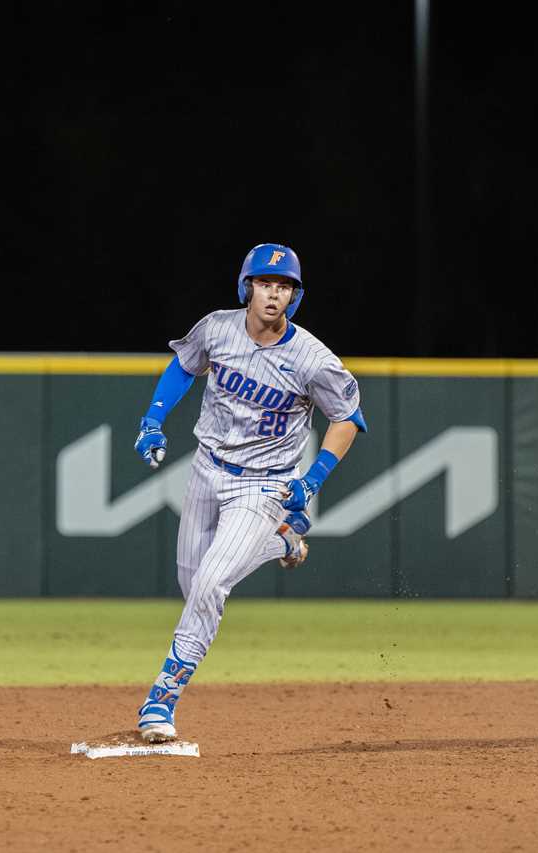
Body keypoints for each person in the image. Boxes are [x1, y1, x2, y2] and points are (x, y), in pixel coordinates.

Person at [131, 242, 367, 744]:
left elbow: (347, 418)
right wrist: (153, 418)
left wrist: (313, 479)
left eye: (284, 287)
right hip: (205, 469)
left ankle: (163, 696)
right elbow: (184, 365)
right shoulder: (217, 327)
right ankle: (282, 542)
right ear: (247, 286)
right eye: (265, 283)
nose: (273, 294)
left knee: (212, 582)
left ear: (294, 298)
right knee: (193, 587)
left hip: (264, 483)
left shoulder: (312, 358)